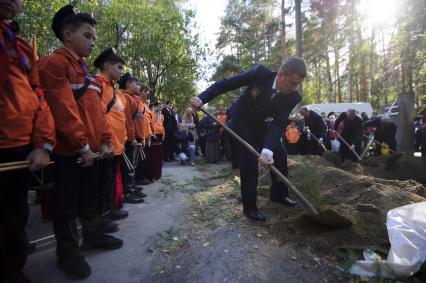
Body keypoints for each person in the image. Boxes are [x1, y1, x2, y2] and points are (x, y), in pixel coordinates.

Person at [38, 5, 122, 280]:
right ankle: (68, 254)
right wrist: (82, 146)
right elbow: (63, 109)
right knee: (66, 206)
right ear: (67, 34)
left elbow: (98, 114)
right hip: (69, 153)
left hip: (92, 152)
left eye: (93, 37)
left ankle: (93, 236)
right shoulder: (55, 64)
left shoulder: (86, 73)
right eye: (87, 36)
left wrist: (105, 142)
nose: (92, 42)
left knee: (90, 200)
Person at [190, 57, 306, 221]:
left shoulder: (293, 97)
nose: (296, 88)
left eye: (298, 84)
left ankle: (279, 194)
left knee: (279, 153)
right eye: (293, 83)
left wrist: (267, 151)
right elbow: (227, 83)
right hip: (241, 119)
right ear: (280, 75)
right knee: (250, 158)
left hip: (259, 123)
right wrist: (202, 98)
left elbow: (279, 124)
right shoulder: (260, 73)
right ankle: (250, 206)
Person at [0, 1, 56, 281]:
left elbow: (39, 97)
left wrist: (42, 144)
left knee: (15, 222)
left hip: (21, 151)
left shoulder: (20, 47)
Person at [92, 48, 130, 232]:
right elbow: (98, 115)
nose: (122, 71)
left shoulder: (112, 89)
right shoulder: (97, 85)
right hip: (105, 145)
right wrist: (104, 142)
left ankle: (109, 210)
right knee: (101, 184)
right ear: (106, 66)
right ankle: (101, 219)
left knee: (109, 182)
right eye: (119, 67)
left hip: (116, 145)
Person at [117, 72, 146, 203]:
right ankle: (128, 191)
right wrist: (132, 137)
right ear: (129, 84)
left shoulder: (134, 99)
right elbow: (127, 120)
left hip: (136, 137)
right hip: (130, 139)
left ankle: (132, 187)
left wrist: (142, 136)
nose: (139, 86)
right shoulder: (125, 97)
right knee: (128, 166)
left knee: (133, 165)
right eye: (137, 83)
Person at [145, 102, 165, 181]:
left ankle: (158, 174)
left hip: (160, 136)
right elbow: (150, 125)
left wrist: (163, 134)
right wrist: (152, 134)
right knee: (152, 156)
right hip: (153, 136)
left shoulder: (162, 116)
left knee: (158, 156)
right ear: (154, 107)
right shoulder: (151, 114)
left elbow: (162, 126)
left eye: (161, 107)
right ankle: (152, 175)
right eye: (158, 106)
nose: (160, 108)